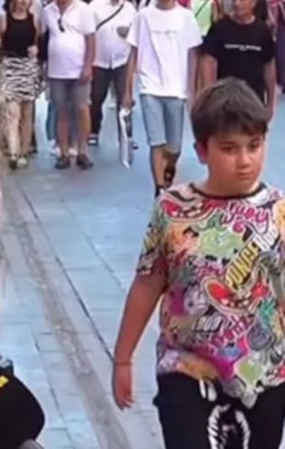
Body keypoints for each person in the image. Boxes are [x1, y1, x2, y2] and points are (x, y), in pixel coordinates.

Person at [113, 78, 285, 448]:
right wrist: (123, 358)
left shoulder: (278, 212)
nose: (245, 160)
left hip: (263, 374)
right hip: (186, 370)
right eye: (229, 149)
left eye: (254, 146)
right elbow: (148, 282)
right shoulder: (172, 210)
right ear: (202, 150)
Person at [123, 0, 201, 197]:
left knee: (174, 147)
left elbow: (193, 54)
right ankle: (159, 189)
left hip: (176, 89)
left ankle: (169, 168)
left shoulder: (186, 17)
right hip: (150, 87)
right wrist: (127, 89)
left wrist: (192, 88)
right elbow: (133, 53)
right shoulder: (143, 16)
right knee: (156, 142)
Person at [0, 0, 42, 169]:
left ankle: (24, 151)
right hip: (10, 68)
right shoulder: (4, 20)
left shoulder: (34, 20)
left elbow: (39, 43)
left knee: (27, 113)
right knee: (12, 113)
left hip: (28, 68)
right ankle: (14, 152)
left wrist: (37, 50)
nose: (23, 2)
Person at [201, 0, 276, 120]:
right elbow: (209, 62)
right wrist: (209, 96)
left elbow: (269, 67)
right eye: (234, 0)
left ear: (253, 3)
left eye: (242, 0)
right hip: (225, 102)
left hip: (254, 101)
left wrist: (271, 103)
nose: (236, 4)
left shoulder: (263, 32)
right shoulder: (219, 28)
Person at [43, 0, 96, 169]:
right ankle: (63, 152)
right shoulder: (48, 11)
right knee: (61, 111)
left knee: (82, 108)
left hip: (78, 69)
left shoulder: (83, 10)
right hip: (56, 71)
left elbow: (91, 40)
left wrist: (88, 66)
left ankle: (82, 151)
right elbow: (43, 37)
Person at [88, 0, 136, 148]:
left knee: (124, 98)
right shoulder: (94, 7)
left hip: (122, 60)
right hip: (99, 60)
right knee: (96, 97)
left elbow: (136, 35)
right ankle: (94, 130)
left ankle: (126, 135)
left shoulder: (129, 9)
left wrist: (128, 33)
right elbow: (89, 32)